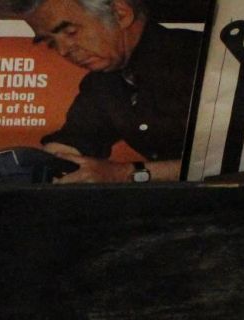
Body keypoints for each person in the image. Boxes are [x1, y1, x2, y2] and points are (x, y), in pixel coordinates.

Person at [15, 0, 200, 183]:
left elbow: (224, 163)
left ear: (121, 14)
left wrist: (125, 173)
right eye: (51, 43)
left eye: (71, 32)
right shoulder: (102, 81)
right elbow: (74, 141)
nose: (63, 51)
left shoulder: (200, 58)